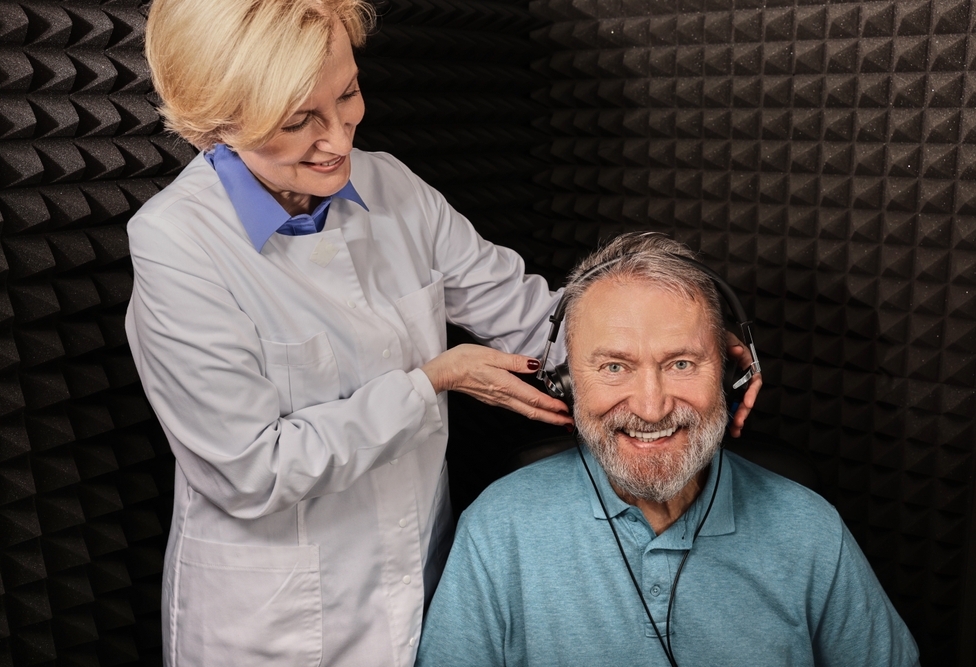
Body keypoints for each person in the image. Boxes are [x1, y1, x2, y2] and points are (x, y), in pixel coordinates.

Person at [130, 0, 759, 663]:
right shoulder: (177, 245)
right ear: (216, 127)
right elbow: (252, 470)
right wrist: (432, 380)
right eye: (297, 123)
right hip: (275, 630)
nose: (340, 139)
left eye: (347, 95)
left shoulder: (393, 187)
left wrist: (703, 344)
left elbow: (537, 322)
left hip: (418, 593)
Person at [416, 233, 919, 667]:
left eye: (681, 363)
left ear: (729, 374)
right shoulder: (498, 529)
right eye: (615, 367)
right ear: (566, 383)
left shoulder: (810, 530)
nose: (652, 408)